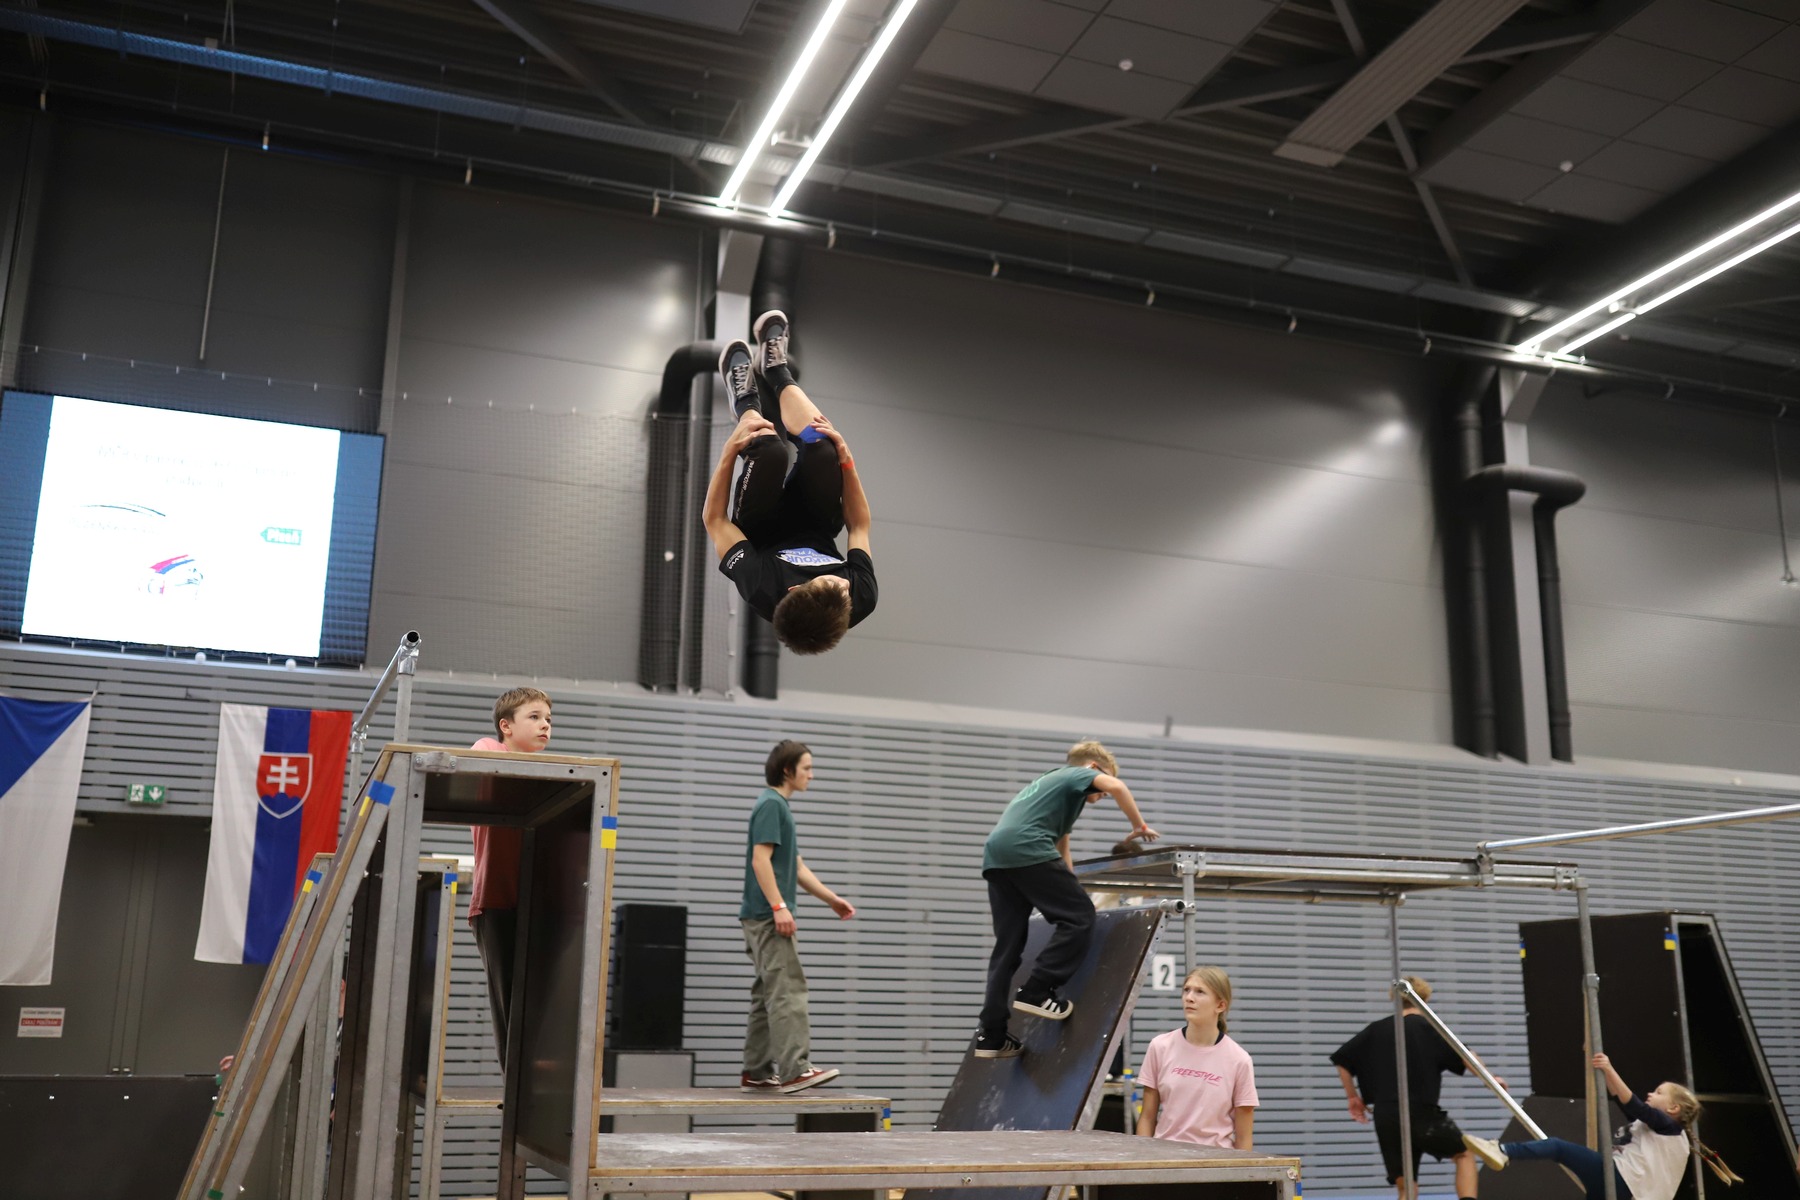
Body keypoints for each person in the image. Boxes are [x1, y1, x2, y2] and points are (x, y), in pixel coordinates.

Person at [704, 310, 876, 656]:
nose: (845, 585)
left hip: (759, 525)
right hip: (816, 521)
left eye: (835, 585)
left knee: (771, 450)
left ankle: (745, 401)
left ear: (796, 589)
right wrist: (846, 459)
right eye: (846, 591)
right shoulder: (860, 598)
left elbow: (715, 520)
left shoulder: (761, 586)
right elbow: (859, 526)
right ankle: (777, 371)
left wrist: (729, 451)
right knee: (825, 447)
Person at [973, 739, 1158, 1060]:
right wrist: (1138, 825)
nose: (1101, 794)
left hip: (997, 855)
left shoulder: (1049, 789)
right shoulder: (1076, 775)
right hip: (1028, 848)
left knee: (1007, 947)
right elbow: (1117, 787)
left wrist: (1072, 889)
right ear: (1094, 768)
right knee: (1079, 918)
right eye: (1101, 782)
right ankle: (1037, 990)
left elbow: (1062, 847)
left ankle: (992, 1034)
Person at [740, 739, 856, 1093]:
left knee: (767, 993)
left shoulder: (778, 807)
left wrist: (831, 899)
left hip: (760, 915)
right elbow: (760, 860)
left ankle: (756, 1071)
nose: (811, 775)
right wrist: (779, 907)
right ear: (788, 770)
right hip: (766, 915)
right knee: (788, 990)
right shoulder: (772, 805)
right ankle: (795, 1070)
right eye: (807, 768)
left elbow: (797, 866)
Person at [1464, 1053, 1740, 1200]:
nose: (1650, 1094)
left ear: (1673, 1109)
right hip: (1624, 1188)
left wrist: (1608, 1068)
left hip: (1623, 1183)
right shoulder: (1664, 1131)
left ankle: (1503, 1151)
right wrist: (1597, 1062)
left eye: (1658, 1092)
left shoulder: (1668, 1126)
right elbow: (1624, 1101)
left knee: (1558, 1147)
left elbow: (1633, 1104)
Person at [1330, 975, 1480, 1200]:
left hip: (1386, 1115)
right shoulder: (1431, 1028)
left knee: (1406, 1187)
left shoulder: (1376, 1029)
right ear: (1425, 999)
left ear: (1396, 1000)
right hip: (1421, 1112)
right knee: (1464, 1154)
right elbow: (1468, 1057)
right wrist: (1491, 1078)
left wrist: (1353, 1097)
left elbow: (1342, 1059)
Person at [466, 686, 552, 1066]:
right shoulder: (489, 748)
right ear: (506, 726)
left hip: (539, 903)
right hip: (496, 902)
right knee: (510, 1006)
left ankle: (541, 1084)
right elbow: (482, 758)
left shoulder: (551, 774)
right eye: (534, 717)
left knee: (541, 1005)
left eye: (548, 719)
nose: (545, 725)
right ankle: (515, 1084)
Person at [1137, 965, 1258, 1149]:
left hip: (1216, 1161)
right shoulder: (1159, 1046)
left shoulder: (1239, 1060)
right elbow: (1147, 1117)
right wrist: (1145, 1159)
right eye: (1187, 990)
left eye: (1200, 992)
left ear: (1220, 1005)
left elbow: (1243, 1138)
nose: (1189, 997)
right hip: (1166, 1157)